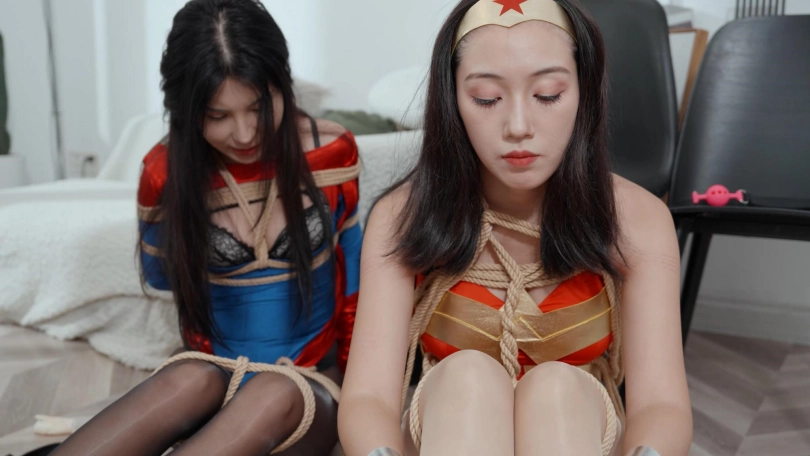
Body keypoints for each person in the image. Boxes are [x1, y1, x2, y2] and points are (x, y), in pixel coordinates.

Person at [338, 0, 692, 455]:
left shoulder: (637, 219)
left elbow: (661, 405)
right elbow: (368, 397)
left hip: (577, 430)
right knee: (468, 377)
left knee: (556, 388)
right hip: (449, 428)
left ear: (583, 92)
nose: (518, 127)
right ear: (452, 100)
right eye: (487, 98)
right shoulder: (403, 216)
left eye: (548, 95)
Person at [51, 1, 361, 455]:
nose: (245, 133)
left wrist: (366, 400)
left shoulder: (331, 153)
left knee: (274, 390)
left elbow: (356, 290)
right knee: (188, 378)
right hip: (214, 371)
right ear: (186, 111)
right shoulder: (164, 175)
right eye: (218, 116)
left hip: (309, 379)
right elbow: (162, 277)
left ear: (283, 84)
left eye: (258, 107)